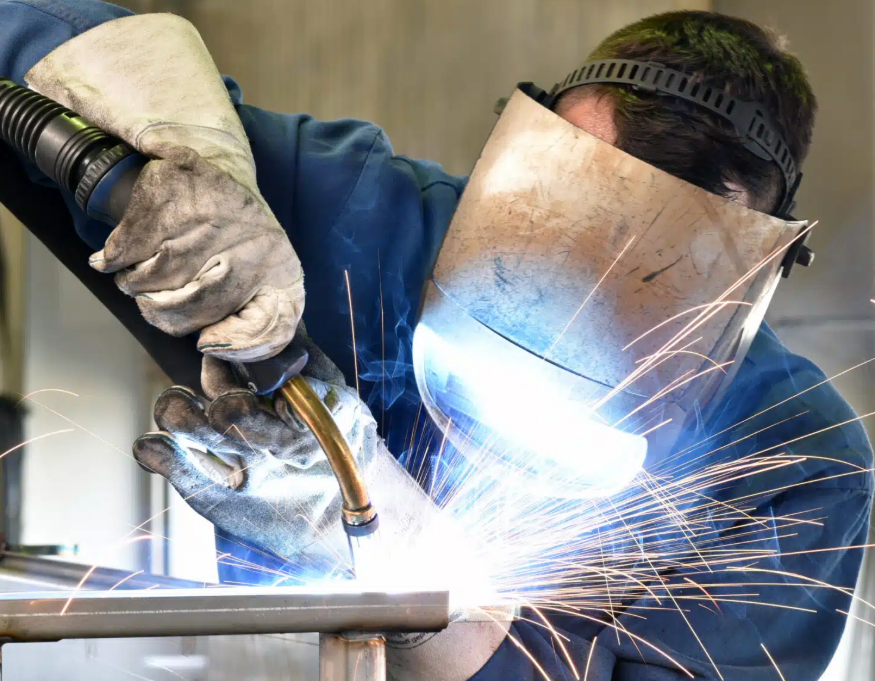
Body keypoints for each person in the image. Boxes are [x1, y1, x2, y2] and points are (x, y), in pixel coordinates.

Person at [0, 2, 872, 680]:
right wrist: (196, 157)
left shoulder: (796, 456)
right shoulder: (359, 218)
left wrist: (392, 540)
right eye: (566, 211)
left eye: (647, 262)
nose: (576, 291)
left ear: (747, 262)